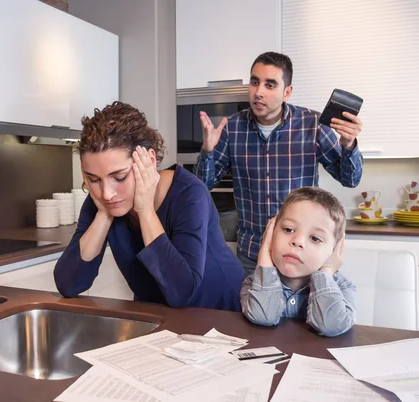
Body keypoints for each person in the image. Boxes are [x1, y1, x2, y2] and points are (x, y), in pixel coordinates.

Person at [54, 101, 245, 311]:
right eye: (93, 179)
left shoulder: (189, 194)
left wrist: (145, 210)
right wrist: (103, 215)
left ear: (149, 161)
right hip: (162, 316)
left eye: (119, 176)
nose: (107, 193)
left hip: (222, 313)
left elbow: (182, 292)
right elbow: (68, 284)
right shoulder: (102, 201)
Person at [195, 51, 364, 275]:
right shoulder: (232, 128)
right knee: (251, 310)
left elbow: (350, 179)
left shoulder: (311, 125)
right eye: (255, 82)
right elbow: (202, 185)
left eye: (270, 85)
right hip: (252, 254)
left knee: (302, 311)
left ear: (287, 92)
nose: (258, 92)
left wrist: (348, 144)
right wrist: (207, 150)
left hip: (300, 252)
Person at [240, 186, 356, 337]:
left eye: (315, 238)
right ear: (271, 232)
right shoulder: (255, 283)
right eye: (288, 229)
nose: (298, 241)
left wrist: (325, 272)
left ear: (335, 249)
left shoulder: (344, 289)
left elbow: (331, 326)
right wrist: (265, 255)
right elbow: (263, 317)